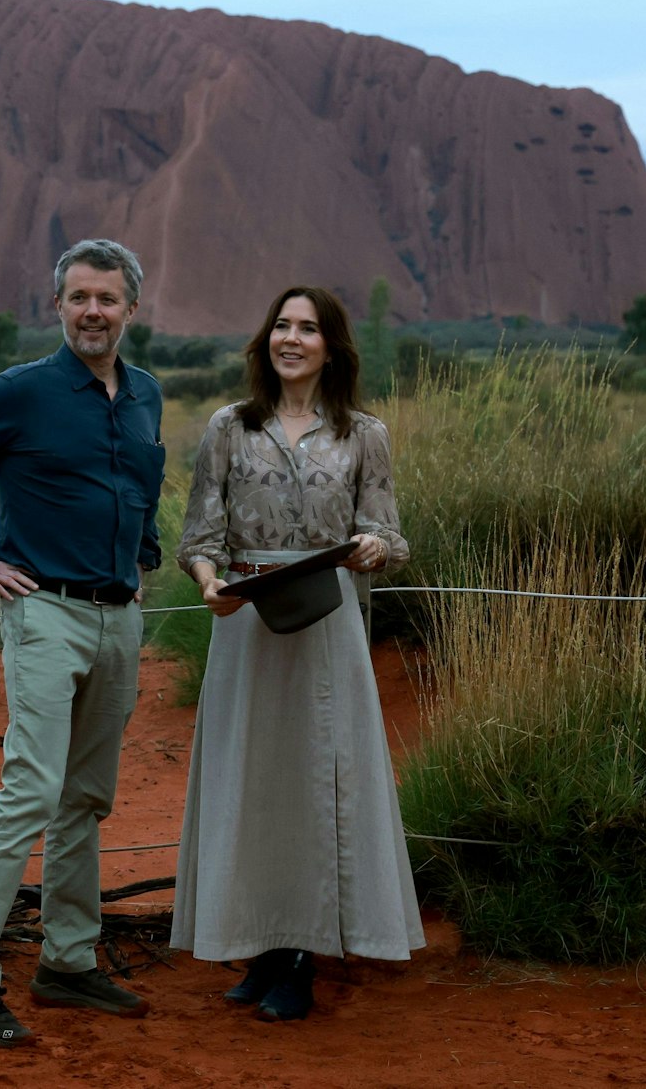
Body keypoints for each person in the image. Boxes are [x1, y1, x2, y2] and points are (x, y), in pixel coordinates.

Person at [0, 239, 166, 1048]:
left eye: (109, 298)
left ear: (131, 309)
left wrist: (145, 554)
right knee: (30, 787)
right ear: (57, 305)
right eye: (80, 296)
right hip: (44, 610)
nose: (94, 310)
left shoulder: (146, 394)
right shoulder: (21, 391)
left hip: (118, 616)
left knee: (87, 795)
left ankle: (68, 959)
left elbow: (139, 483)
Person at [169, 286, 425, 1021]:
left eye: (307, 328)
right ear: (265, 340)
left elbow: (389, 533)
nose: (291, 338)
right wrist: (209, 582)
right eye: (281, 325)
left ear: (330, 346)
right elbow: (200, 536)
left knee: (318, 787)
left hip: (326, 617)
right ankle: (262, 948)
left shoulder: (362, 433)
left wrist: (374, 546)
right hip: (247, 616)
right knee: (251, 783)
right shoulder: (229, 426)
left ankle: (302, 960)